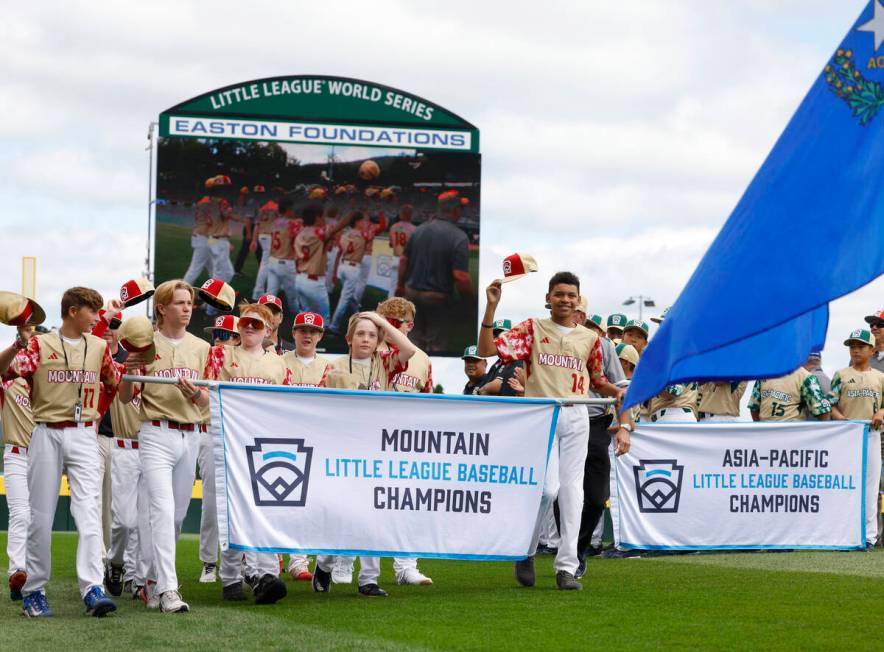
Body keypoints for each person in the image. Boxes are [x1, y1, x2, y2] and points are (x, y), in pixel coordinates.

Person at [478, 272, 634, 591]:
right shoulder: (532, 328)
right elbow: (486, 350)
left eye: (571, 295)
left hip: (577, 414)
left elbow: (596, 379)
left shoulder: (590, 339)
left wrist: (615, 394)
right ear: (548, 298)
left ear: (578, 300)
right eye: (559, 294)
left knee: (573, 492)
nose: (565, 299)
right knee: (548, 490)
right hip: (543, 415)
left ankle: (567, 567)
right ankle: (526, 550)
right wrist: (491, 307)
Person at [0, 288, 121, 617]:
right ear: (72, 312)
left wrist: (95, 418)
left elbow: (113, 383)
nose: (97, 318)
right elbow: (4, 371)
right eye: (91, 312)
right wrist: (17, 344)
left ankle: (92, 588)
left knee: (89, 512)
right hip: (46, 432)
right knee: (40, 515)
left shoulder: (97, 347)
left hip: (83, 434)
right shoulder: (40, 343)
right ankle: (34, 590)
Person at [118, 280, 210, 614]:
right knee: (162, 508)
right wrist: (128, 372)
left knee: (176, 515)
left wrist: (195, 394)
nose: (187, 308)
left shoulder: (202, 347)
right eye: (180, 303)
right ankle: (168, 589)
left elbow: (208, 403)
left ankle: (148, 578)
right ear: (162, 307)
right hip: (155, 432)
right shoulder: (145, 345)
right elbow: (127, 397)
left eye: (190, 303)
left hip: (191, 434)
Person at [312, 311, 416, 597]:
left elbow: (408, 349)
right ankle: (325, 564)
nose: (367, 339)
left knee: (376, 514)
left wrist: (381, 323)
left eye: (372, 334)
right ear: (349, 338)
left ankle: (369, 579)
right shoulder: (332, 368)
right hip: (342, 448)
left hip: (376, 447)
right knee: (341, 513)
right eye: (361, 333)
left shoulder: (384, 363)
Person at [202, 302, 291, 604]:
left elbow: (286, 405)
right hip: (226, 440)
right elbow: (207, 392)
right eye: (246, 323)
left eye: (257, 324)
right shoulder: (221, 354)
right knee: (228, 510)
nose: (250, 328)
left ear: (268, 330)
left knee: (262, 509)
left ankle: (263, 574)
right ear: (238, 327)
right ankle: (231, 578)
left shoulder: (279, 364)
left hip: (263, 444)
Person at [374, 297, 434, 586]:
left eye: (401, 323)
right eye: (388, 322)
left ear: (410, 325)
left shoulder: (421, 358)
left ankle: (406, 566)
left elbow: (427, 400)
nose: (395, 328)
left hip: (407, 440)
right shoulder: (369, 350)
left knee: (409, 503)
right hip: (371, 437)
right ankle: (349, 567)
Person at [576, 299, 627, 578]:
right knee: (557, 492)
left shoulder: (604, 346)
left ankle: (579, 548)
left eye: (581, 313)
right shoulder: (549, 340)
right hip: (560, 421)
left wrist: (625, 425)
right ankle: (570, 552)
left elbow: (620, 387)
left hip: (595, 422)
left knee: (596, 498)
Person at [828, 328, 884, 550]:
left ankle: (869, 537)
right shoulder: (840, 374)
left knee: (871, 487)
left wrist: (881, 413)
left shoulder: (880, 377)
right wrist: (842, 418)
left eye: (861, 346)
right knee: (845, 484)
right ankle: (844, 533)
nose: (855, 350)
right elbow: (830, 404)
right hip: (847, 435)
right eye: (852, 346)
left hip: (871, 435)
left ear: (871, 350)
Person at [399, 191, 473, 353]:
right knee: (435, 346)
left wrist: (400, 286)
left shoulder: (418, 230)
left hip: (411, 294)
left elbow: (404, 260)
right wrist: (469, 302)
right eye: (460, 208)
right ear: (454, 211)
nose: (461, 212)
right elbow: (460, 276)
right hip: (437, 299)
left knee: (412, 343)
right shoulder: (459, 236)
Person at [196, 312, 239, 585]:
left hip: (240, 436)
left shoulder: (251, 361)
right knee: (212, 502)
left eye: (226, 336)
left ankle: (242, 561)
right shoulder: (208, 358)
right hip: (210, 431)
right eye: (216, 335)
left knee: (243, 502)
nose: (219, 341)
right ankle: (209, 562)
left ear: (238, 337)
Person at [103, 322, 145, 598]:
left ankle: (136, 576)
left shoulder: (158, 370)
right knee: (124, 521)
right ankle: (115, 562)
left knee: (146, 522)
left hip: (152, 448)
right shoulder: (116, 368)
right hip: (123, 447)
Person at [0, 324, 34, 602]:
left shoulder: (48, 383)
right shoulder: (9, 378)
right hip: (16, 454)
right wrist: (17, 345)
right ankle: (17, 573)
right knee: (21, 514)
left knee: (38, 519)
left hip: (44, 457)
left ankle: (34, 574)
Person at [294, 203, 353, 321]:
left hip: (299, 278)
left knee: (306, 316)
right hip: (314, 282)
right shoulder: (318, 232)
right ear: (317, 218)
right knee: (324, 319)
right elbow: (336, 229)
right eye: (322, 217)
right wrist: (352, 214)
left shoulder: (300, 231)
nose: (323, 220)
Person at [329, 210, 371, 335]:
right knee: (345, 298)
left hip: (343, 266)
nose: (365, 223)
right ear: (357, 222)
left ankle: (358, 314)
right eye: (362, 221)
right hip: (353, 268)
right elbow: (375, 231)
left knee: (350, 295)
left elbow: (340, 250)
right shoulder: (364, 235)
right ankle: (333, 326)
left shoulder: (345, 234)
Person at [183, 176, 225, 286]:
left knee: (214, 268)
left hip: (201, 236)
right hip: (204, 238)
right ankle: (180, 291)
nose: (221, 191)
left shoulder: (203, 200)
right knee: (195, 269)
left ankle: (218, 291)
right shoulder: (211, 202)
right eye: (218, 188)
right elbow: (212, 222)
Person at [748, 367, 832, 422]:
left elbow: (823, 411)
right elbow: (754, 407)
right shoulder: (765, 374)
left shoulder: (806, 377)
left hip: (792, 434)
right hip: (766, 432)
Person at [265, 197, 302, 315]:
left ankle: (264, 315)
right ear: (288, 209)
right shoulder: (293, 223)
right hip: (285, 262)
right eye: (292, 209)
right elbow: (297, 240)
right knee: (292, 294)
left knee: (271, 293)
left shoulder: (275, 222)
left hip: (272, 260)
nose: (293, 211)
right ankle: (296, 314)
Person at [478, 319, 524, 397]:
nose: (499, 338)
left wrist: (485, 389)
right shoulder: (497, 364)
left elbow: (491, 388)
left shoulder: (519, 360)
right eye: (495, 334)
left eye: (504, 335)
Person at [250, 196, 278, 299]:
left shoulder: (262, 208)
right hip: (270, 236)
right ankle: (258, 291)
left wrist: (254, 240)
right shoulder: (276, 208)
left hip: (262, 236)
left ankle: (263, 290)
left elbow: (256, 225)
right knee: (266, 264)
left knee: (267, 263)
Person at [387, 204, 416, 298]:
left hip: (395, 258)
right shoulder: (414, 229)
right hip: (407, 261)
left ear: (401, 214)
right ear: (411, 215)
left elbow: (391, 244)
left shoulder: (393, 227)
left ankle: (387, 311)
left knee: (392, 288)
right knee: (405, 290)